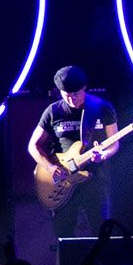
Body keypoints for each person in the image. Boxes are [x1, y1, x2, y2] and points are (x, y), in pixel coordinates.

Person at [28, 66, 118, 241]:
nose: (71, 99)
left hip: (95, 179)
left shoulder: (101, 108)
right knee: (63, 235)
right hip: (62, 181)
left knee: (103, 233)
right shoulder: (53, 111)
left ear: (84, 87)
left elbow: (114, 144)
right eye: (65, 94)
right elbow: (33, 146)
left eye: (75, 94)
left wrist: (103, 155)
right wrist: (50, 166)